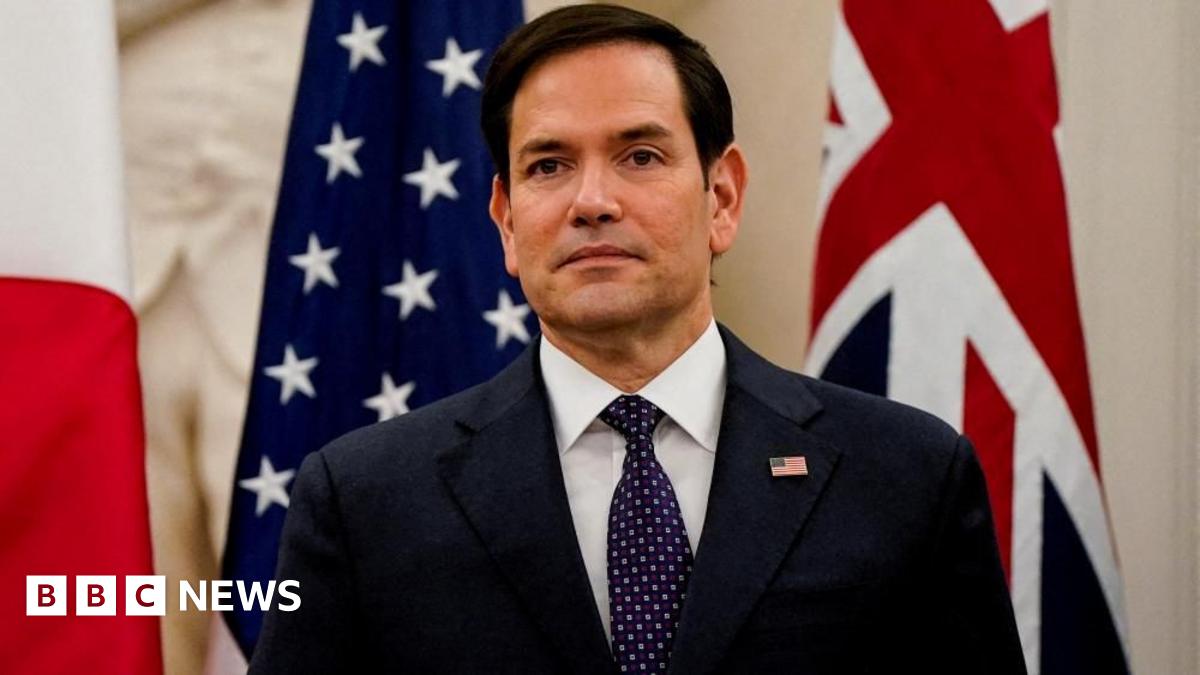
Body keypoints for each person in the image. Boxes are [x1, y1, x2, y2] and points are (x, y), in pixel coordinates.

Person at [250, 4, 1026, 673]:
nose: (592, 201)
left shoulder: (906, 478)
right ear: (507, 223)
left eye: (640, 156)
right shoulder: (364, 501)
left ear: (721, 197)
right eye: (549, 164)